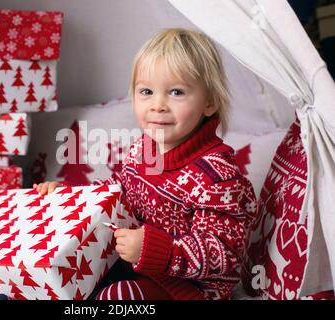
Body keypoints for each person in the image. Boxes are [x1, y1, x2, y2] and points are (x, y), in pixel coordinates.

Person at [34, 28, 257, 300]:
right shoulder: (144, 148)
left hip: (185, 290)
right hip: (133, 266)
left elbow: (223, 253)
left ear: (209, 102)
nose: (158, 105)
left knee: (118, 298)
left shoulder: (217, 175)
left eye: (176, 92)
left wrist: (154, 250)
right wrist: (73, 196)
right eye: (147, 91)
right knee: (63, 283)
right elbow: (120, 193)